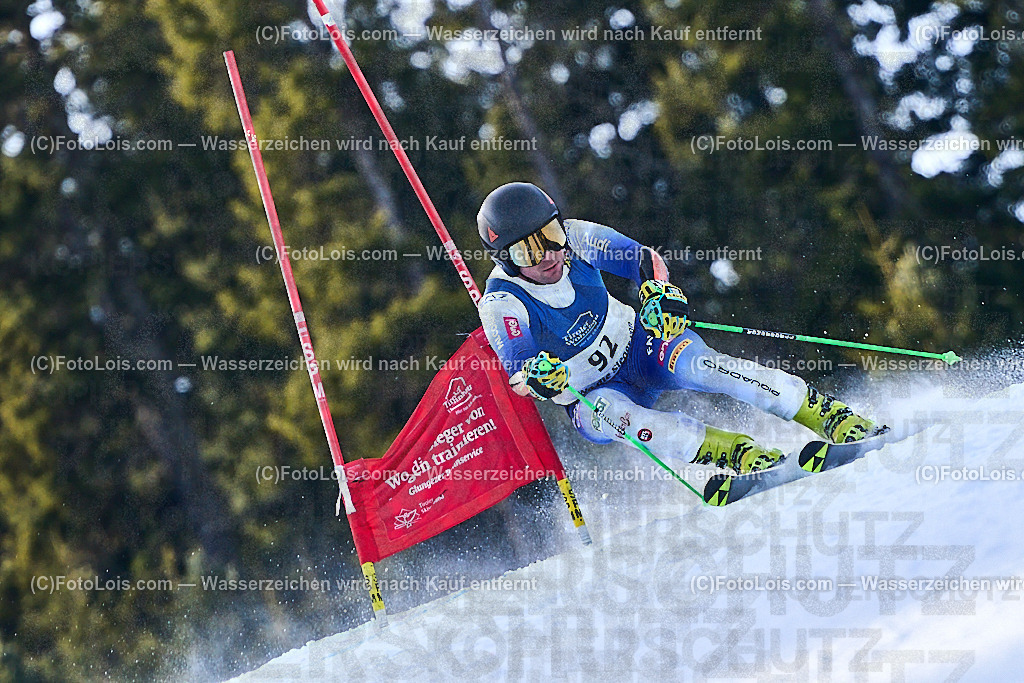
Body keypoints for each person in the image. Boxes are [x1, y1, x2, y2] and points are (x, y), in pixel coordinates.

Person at [476, 182, 881, 475]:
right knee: (619, 416)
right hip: (591, 394)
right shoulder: (501, 302)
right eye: (527, 249)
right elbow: (519, 372)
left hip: (640, 348)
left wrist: (658, 292)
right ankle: (734, 453)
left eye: (551, 234)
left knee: (704, 366)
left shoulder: (578, 238)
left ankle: (824, 414)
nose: (548, 253)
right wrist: (537, 376)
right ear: (506, 260)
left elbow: (641, 259)